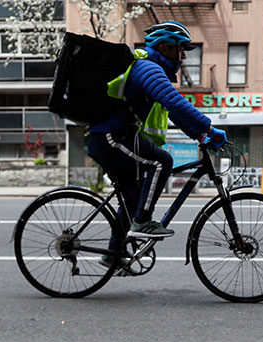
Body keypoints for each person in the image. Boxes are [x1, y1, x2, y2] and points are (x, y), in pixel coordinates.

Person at [86, 21, 227, 267]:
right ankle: (143, 221)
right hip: (110, 138)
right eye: (180, 49)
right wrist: (209, 128)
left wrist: (199, 136)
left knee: (132, 196)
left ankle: (113, 254)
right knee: (162, 161)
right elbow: (175, 102)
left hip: (111, 138)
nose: (183, 56)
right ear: (165, 48)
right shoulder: (147, 68)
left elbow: (172, 113)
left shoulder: (151, 69)